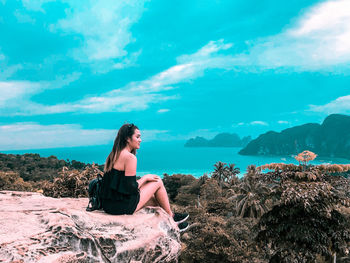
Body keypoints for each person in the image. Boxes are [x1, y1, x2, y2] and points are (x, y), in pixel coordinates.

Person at [100, 123, 189, 232]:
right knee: (158, 181)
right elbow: (131, 188)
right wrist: (145, 178)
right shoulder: (130, 157)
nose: (140, 140)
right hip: (121, 207)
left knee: (154, 201)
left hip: (108, 204)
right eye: (137, 137)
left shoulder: (113, 154)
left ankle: (168, 220)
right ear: (128, 139)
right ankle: (172, 218)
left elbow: (121, 183)